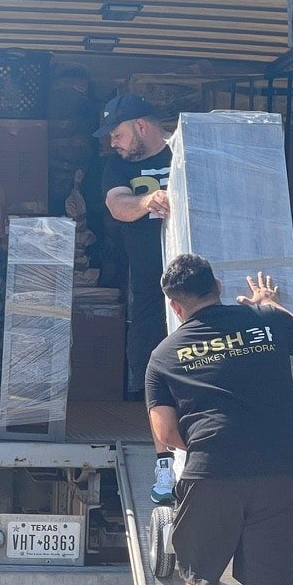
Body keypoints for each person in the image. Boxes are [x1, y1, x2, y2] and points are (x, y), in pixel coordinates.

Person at [145, 255, 293, 585]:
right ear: (218, 287)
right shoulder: (263, 320)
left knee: (199, 576)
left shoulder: (163, 355)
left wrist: (214, 444)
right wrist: (268, 302)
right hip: (285, 468)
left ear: (175, 307)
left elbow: (165, 433)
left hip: (213, 470)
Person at [94, 93, 175, 504]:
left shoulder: (187, 152)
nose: (114, 142)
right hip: (149, 288)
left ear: (142, 125)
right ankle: (165, 462)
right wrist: (148, 200)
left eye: (119, 133)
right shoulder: (117, 167)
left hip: (197, 289)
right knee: (149, 363)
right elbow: (117, 205)